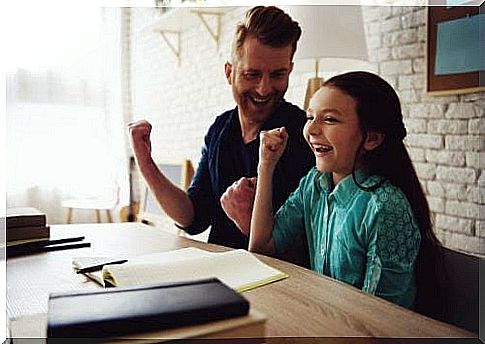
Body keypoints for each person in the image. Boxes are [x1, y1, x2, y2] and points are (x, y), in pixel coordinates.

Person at [247, 71, 443, 308]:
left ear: (371, 138)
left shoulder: (385, 206)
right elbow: (261, 248)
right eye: (310, 117)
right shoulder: (314, 182)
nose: (311, 130)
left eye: (329, 119)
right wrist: (266, 166)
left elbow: (380, 317)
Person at [129, 6, 314, 250]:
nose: (264, 88)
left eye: (278, 74)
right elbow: (192, 217)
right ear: (229, 72)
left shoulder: (305, 136)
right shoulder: (220, 129)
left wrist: (248, 222)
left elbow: (311, 250)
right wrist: (145, 163)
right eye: (252, 74)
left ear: (289, 70)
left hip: (277, 282)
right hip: (220, 273)